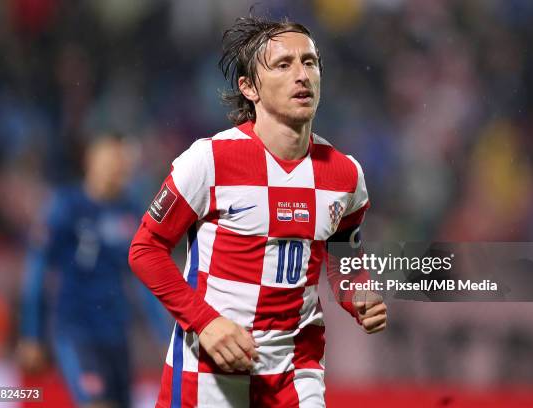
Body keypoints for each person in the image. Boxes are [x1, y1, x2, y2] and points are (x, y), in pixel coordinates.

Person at [129, 16, 387, 407]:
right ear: (249, 87)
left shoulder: (345, 175)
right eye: (283, 65)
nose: (301, 75)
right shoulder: (210, 160)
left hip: (297, 371)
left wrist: (357, 294)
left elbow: (343, 254)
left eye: (310, 62)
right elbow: (145, 250)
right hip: (210, 369)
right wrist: (206, 322)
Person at [18, 134, 168, 408]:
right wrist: (32, 333)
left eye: (122, 160)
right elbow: (38, 269)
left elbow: (145, 279)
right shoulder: (66, 206)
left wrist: (164, 334)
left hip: (116, 334)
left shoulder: (130, 211)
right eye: (110, 158)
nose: (118, 167)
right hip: (76, 330)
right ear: (91, 160)